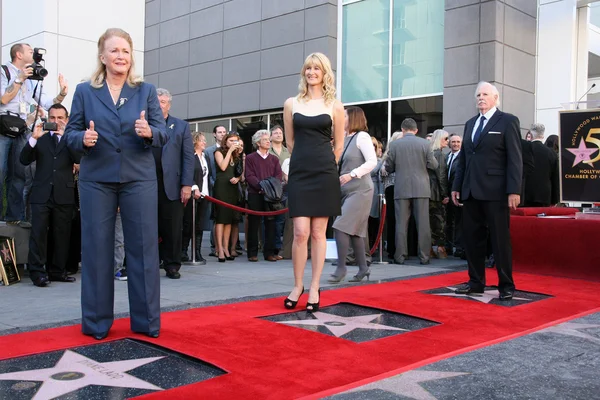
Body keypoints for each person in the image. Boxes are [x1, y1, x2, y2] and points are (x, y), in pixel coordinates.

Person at [65, 28, 167, 340]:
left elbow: (164, 134)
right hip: (97, 178)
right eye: (114, 51)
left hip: (138, 177)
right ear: (102, 57)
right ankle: (96, 323)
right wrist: (83, 138)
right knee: (96, 250)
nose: (120, 56)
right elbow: (70, 134)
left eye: (125, 50)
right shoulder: (85, 91)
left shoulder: (146, 90)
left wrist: (149, 132)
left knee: (143, 250)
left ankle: (147, 322)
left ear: (131, 56)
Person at [283, 52, 344, 312]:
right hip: (300, 172)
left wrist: (326, 164)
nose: (311, 72)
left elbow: (339, 145)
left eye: (317, 68)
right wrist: (303, 161)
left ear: (324, 73)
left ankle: (315, 286)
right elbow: (290, 141)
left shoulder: (335, 105)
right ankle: (298, 285)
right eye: (308, 67)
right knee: (300, 233)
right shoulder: (291, 103)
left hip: (324, 174)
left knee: (319, 233)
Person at [451, 81, 522, 301]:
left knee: (500, 241)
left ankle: (506, 285)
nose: (481, 98)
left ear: (495, 98)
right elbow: (463, 159)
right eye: (478, 95)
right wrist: (457, 186)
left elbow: (515, 158)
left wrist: (514, 190)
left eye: (485, 94)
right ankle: (476, 282)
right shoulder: (471, 123)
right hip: (471, 192)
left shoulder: (507, 121)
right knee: (472, 240)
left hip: (496, 192)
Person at [1, 43, 69, 226]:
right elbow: (3, 98)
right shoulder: (4, 72)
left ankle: (14, 217)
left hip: (22, 127)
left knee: (19, 174)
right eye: (30, 51)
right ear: (18, 54)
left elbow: (47, 103)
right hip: (3, 125)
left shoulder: (32, 78)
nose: (35, 54)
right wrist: (19, 78)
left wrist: (62, 94)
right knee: (1, 171)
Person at [19, 103, 80, 287]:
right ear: (48, 119)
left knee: (61, 234)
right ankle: (37, 272)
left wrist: (66, 138)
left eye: (60, 118)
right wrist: (33, 139)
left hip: (64, 193)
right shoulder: (40, 138)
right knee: (38, 234)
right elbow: (23, 159)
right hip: (41, 193)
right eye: (52, 118)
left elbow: (80, 158)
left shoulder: (70, 139)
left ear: (66, 120)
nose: (56, 121)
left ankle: (57, 271)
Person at [329, 106, 377, 283]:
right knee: (356, 232)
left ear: (353, 118)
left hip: (360, 189)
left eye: (344, 116)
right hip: (346, 191)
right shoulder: (345, 139)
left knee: (340, 226)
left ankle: (341, 268)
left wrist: (352, 174)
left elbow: (373, 161)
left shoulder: (362, 137)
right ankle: (363, 268)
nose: (341, 118)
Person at [385, 118, 438, 265]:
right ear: (416, 130)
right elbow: (434, 164)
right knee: (423, 224)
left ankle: (400, 256)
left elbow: (389, 166)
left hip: (401, 187)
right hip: (421, 187)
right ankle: (424, 257)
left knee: (401, 224)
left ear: (402, 130)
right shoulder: (425, 143)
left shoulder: (394, 144)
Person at [154, 88, 194, 279]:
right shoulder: (143, 123)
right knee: (147, 227)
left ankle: (172, 265)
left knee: (172, 227)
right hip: (147, 183)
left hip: (172, 184)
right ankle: (150, 262)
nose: (159, 104)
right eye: (156, 101)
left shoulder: (181, 126)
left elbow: (187, 157)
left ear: (169, 104)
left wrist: (186, 185)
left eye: (163, 101)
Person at [245, 130, 283, 262]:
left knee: (271, 224)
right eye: (265, 140)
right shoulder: (250, 158)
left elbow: (278, 176)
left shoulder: (274, 159)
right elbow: (249, 176)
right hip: (255, 194)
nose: (268, 141)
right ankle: (252, 253)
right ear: (258, 143)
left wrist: (269, 188)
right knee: (254, 224)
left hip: (271, 196)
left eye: (268, 139)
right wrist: (261, 186)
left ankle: (269, 253)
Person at [182, 132, 212, 264]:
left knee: (199, 225)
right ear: (195, 142)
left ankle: (197, 252)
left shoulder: (205, 157)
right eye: (202, 140)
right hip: (193, 194)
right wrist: (194, 187)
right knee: (188, 223)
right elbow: (187, 172)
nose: (204, 142)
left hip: (204, 194)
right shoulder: (190, 157)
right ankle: (183, 251)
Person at [213, 132, 243, 262]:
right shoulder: (218, 152)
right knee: (221, 219)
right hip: (221, 187)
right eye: (231, 141)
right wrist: (230, 151)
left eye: (235, 141)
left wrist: (237, 178)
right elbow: (223, 166)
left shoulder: (236, 155)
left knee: (230, 220)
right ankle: (219, 249)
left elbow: (240, 173)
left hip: (232, 188)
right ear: (226, 142)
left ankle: (226, 248)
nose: (233, 143)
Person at [380, 131, 403, 260]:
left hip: (403, 189)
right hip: (391, 189)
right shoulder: (388, 156)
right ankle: (392, 249)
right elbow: (382, 171)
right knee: (392, 220)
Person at [268, 125, 290, 259]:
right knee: (272, 220)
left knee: (283, 220)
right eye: (275, 133)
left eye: (280, 132)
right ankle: (273, 246)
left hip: (287, 189)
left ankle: (282, 246)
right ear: (270, 137)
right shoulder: (267, 151)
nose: (278, 134)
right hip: (272, 189)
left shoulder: (288, 152)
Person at [525, 123, 559, 207]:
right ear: (543, 135)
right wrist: (555, 200)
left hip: (524, 195)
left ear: (531, 134)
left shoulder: (522, 150)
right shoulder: (552, 153)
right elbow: (555, 178)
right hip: (544, 196)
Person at [428, 129, 450, 259]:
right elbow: (441, 176)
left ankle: (430, 248)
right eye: (446, 139)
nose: (448, 142)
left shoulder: (430, 153)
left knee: (430, 221)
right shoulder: (439, 155)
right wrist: (444, 194)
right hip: (436, 192)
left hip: (428, 191)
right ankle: (440, 249)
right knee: (439, 221)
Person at [445, 133, 464, 258]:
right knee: (448, 222)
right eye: (453, 142)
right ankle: (449, 247)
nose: (455, 144)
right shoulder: (446, 157)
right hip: (447, 195)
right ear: (449, 143)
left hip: (458, 195)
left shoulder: (463, 157)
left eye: (458, 142)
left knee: (459, 222)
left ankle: (459, 247)